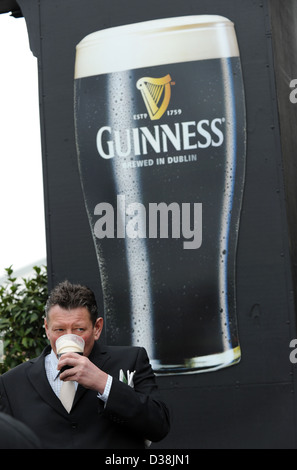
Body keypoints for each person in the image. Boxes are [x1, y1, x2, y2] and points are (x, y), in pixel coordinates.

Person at [0, 281, 170, 449]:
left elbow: (159, 426)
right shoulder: (11, 383)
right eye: (59, 330)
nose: (69, 337)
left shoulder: (131, 359)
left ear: (97, 328)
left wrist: (104, 383)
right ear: (46, 328)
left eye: (79, 329)